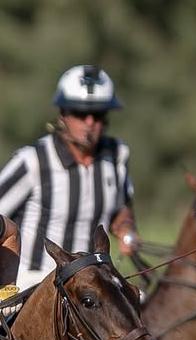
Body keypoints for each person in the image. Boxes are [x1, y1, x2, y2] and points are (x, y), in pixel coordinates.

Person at [0, 65, 138, 290]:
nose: (90, 122)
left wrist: (126, 229)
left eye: (99, 114)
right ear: (63, 114)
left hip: (90, 286)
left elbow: (121, 209)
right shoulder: (33, 160)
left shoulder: (116, 156)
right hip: (33, 286)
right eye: (81, 113)